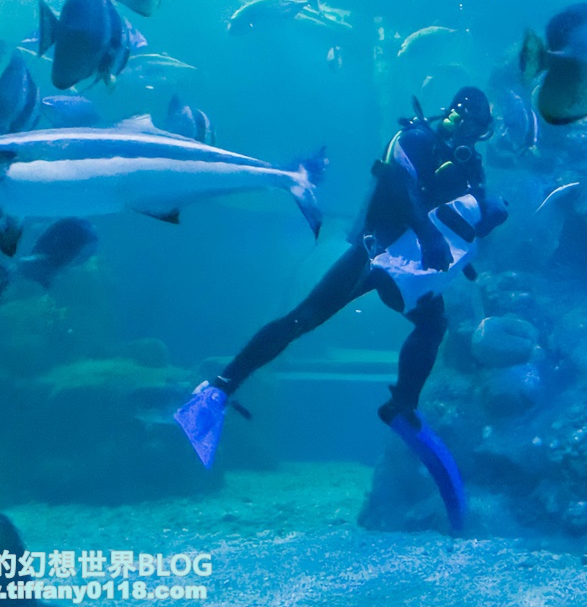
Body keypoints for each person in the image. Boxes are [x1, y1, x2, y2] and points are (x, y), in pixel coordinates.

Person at [175, 86, 507, 529]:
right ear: (453, 115)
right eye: (466, 124)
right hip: (374, 252)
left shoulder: (470, 164)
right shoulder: (413, 139)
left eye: (477, 131)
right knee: (304, 318)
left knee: (433, 324)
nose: (469, 135)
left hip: (413, 268)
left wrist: (489, 219)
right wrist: (427, 234)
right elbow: (400, 184)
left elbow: (469, 217)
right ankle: (218, 389)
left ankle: (402, 406)